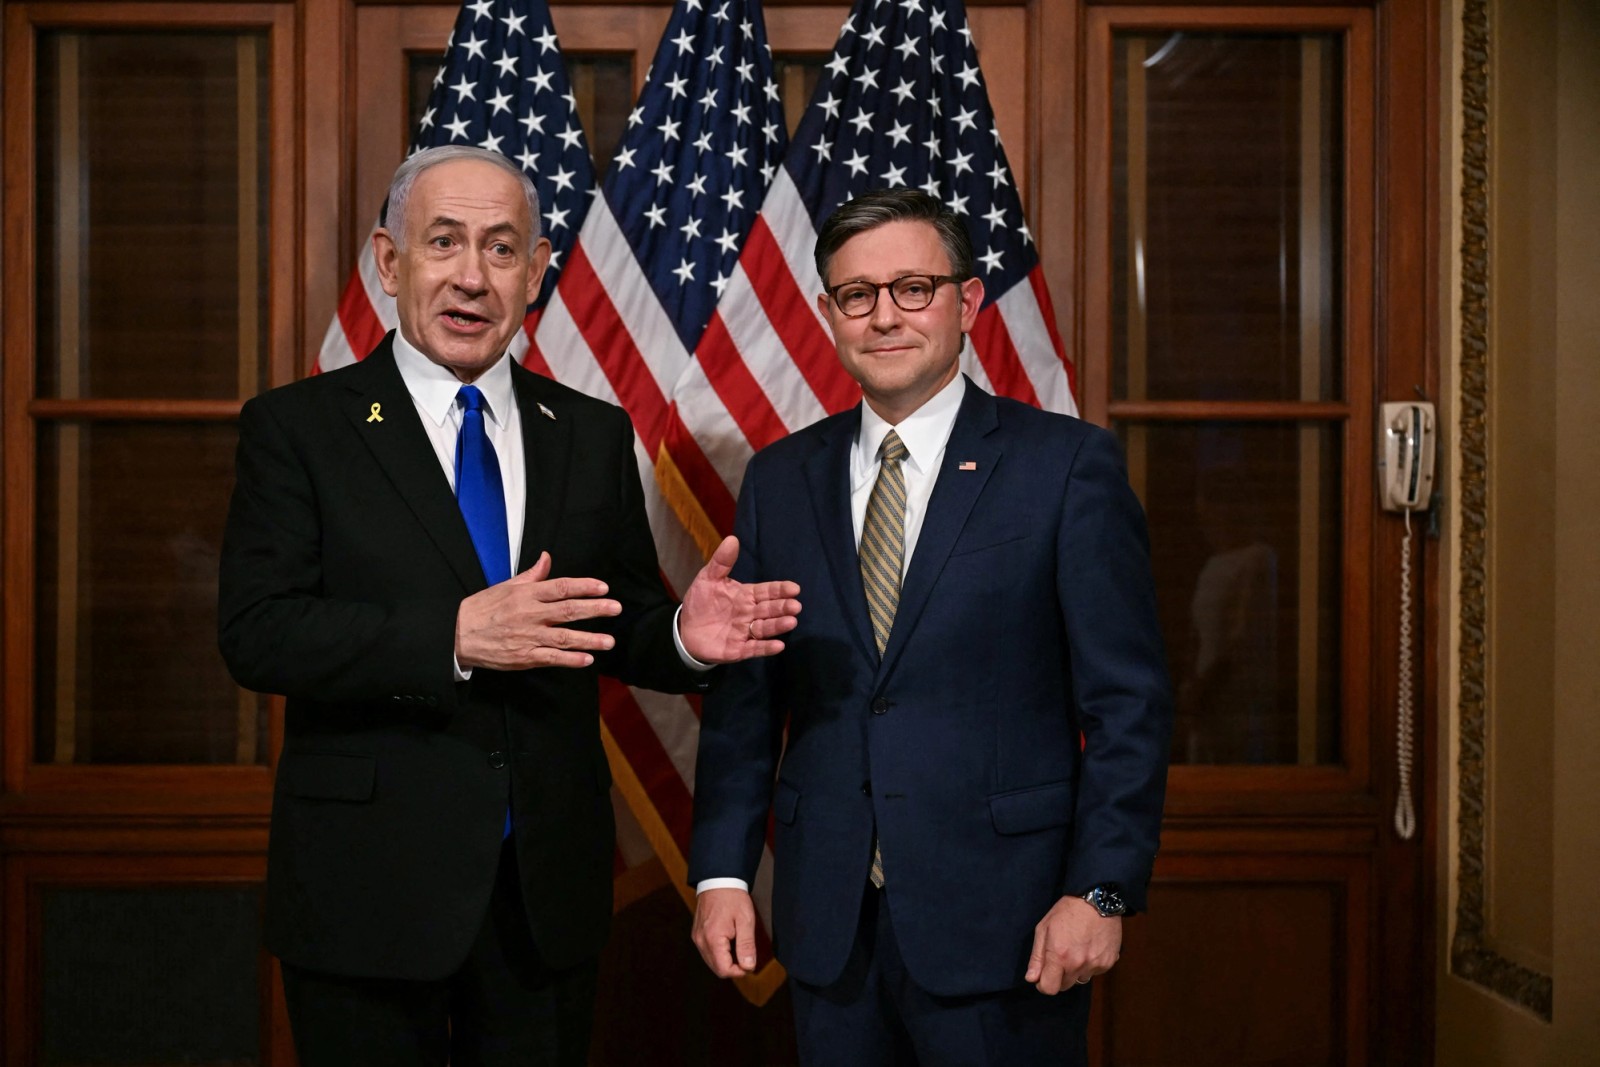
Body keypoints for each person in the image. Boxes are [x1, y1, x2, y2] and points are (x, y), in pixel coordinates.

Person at [218, 145, 800, 1066]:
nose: (471, 275)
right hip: (368, 891)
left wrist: (684, 636)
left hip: (543, 895)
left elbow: (613, 618)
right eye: (443, 241)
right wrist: (453, 636)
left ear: (533, 274)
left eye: (499, 248)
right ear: (389, 261)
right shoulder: (301, 428)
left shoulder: (590, 433)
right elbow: (258, 631)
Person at [688, 189, 1171, 1066]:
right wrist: (722, 870)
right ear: (829, 313)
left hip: (1011, 924)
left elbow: (1127, 706)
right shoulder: (780, 479)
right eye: (858, 295)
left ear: (968, 302)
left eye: (913, 288)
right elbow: (745, 702)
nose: (885, 316)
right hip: (829, 926)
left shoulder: (1066, 467)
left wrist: (1100, 889)